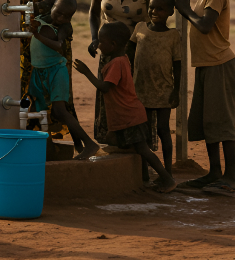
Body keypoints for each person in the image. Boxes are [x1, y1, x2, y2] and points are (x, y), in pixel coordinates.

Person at [73, 23, 176, 192]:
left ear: (112, 45)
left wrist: (87, 72)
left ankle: (167, 179)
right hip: (127, 115)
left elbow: (105, 87)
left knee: (143, 149)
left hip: (129, 116)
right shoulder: (122, 59)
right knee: (122, 142)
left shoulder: (116, 63)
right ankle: (144, 179)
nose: (98, 45)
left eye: (101, 42)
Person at [174, 0, 235, 193]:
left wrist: (185, 10)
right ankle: (214, 172)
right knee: (208, 121)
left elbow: (204, 25)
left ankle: (230, 176)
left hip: (219, 64)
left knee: (222, 120)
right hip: (206, 64)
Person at [87, 0, 158, 146]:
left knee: (134, 97)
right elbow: (93, 13)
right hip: (109, 50)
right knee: (108, 96)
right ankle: (112, 141)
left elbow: (156, 18)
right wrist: (94, 38)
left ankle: (139, 143)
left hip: (137, 51)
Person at [28, 0, 98, 160]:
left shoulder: (65, 27)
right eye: (58, 13)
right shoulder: (40, 19)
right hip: (38, 72)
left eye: (67, 16)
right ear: (52, 8)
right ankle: (48, 150)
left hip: (56, 71)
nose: (61, 18)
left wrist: (37, 36)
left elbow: (60, 46)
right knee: (39, 111)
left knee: (60, 110)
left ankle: (89, 144)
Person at [130, 0, 182, 177]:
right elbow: (129, 55)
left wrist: (176, 91)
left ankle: (167, 171)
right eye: (151, 7)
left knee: (162, 129)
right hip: (141, 90)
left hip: (163, 90)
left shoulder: (173, 36)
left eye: (160, 9)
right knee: (142, 133)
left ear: (170, 12)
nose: (154, 12)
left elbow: (178, 66)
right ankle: (144, 172)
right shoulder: (140, 28)